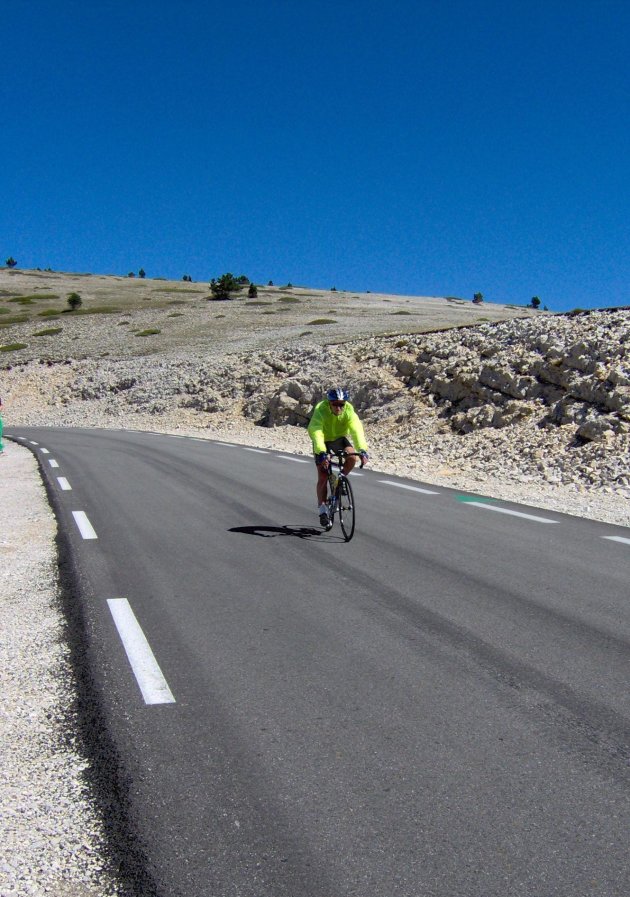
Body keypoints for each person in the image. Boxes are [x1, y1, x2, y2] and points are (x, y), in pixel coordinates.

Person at [307, 387, 369, 529]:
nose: (339, 407)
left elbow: (356, 430)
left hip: (339, 439)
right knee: (323, 476)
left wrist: (363, 450)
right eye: (335, 404)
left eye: (342, 404)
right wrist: (322, 452)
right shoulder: (321, 409)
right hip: (323, 440)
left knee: (352, 457)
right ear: (329, 403)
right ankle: (322, 509)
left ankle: (340, 480)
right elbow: (316, 431)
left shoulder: (348, 410)